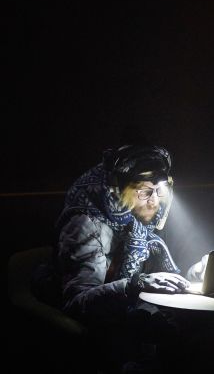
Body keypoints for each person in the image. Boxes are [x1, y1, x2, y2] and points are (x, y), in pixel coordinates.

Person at [32, 142, 190, 374]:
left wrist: (193, 274)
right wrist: (135, 285)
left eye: (160, 190)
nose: (155, 201)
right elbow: (78, 304)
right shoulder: (85, 226)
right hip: (98, 335)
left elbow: (159, 277)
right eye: (145, 191)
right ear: (117, 190)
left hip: (128, 316)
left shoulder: (139, 222)